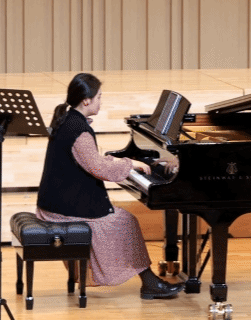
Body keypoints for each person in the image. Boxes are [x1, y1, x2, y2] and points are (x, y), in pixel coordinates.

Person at [35, 73, 184, 300]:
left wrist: (121, 161)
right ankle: (149, 283)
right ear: (86, 100)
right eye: (99, 97)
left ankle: (149, 281)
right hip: (63, 210)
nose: (100, 102)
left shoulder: (68, 120)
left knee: (123, 219)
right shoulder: (79, 129)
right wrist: (130, 164)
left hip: (55, 203)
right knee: (126, 222)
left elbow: (89, 160)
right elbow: (98, 168)